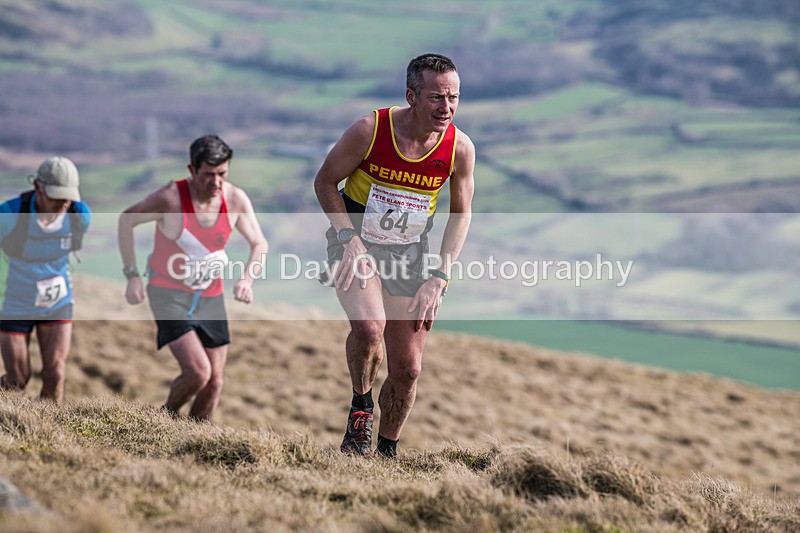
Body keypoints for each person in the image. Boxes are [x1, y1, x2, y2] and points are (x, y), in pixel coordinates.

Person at [313, 53, 475, 457]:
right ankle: (361, 413)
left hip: (411, 255)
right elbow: (325, 182)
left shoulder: (459, 149)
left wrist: (440, 276)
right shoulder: (370, 129)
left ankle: (387, 451)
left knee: (408, 369)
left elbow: (461, 213)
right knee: (370, 328)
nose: (447, 107)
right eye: (437, 97)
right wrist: (348, 239)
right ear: (412, 96)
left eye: (454, 97)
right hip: (356, 243)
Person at [117, 134, 268, 421]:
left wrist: (247, 279)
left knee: (215, 382)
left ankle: (197, 439)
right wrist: (132, 276)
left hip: (210, 296)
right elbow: (127, 220)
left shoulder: (235, 199)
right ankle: (165, 420)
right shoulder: (170, 197)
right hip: (168, 294)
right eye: (208, 175)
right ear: (192, 170)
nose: (216, 182)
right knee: (199, 372)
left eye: (222, 173)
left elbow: (259, 243)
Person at [0, 156, 91, 402]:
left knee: (55, 374)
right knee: (17, 379)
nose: (63, 203)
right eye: (56, 196)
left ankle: (46, 432)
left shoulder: (79, 215)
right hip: (13, 303)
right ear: (38, 187)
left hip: (57, 301)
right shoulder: (9, 214)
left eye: (68, 196)